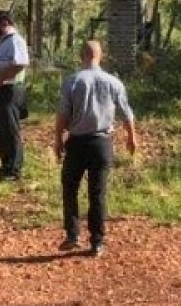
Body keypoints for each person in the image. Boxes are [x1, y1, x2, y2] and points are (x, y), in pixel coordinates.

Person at [53, 40, 137, 257]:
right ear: (101, 56)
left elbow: (63, 114)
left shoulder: (72, 81)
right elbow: (126, 112)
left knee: (70, 187)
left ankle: (72, 234)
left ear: (81, 56)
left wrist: (58, 139)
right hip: (102, 142)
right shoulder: (114, 82)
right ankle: (97, 241)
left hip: (77, 142)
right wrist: (131, 138)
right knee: (97, 192)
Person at [0, 10, 30, 180]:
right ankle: (6, 165)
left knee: (10, 130)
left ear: (4, 23)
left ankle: (14, 170)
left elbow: (21, 63)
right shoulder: (1, 42)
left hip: (10, 89)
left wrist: (2, 78)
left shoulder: (15, 40)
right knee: (0, 130)